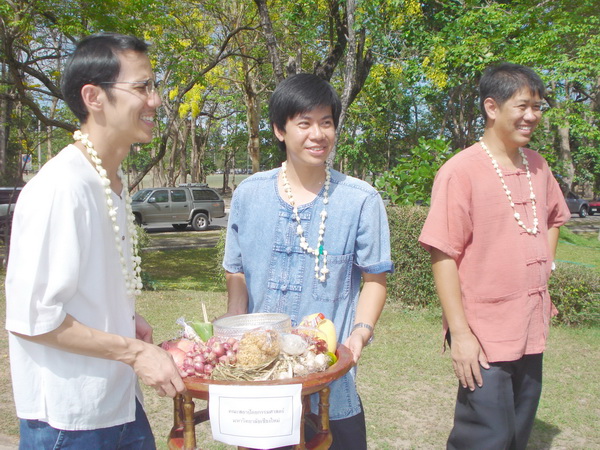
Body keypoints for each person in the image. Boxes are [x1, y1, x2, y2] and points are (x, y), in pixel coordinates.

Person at [5, 33, 186, 448]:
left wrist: (122, 317)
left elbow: (82, 287)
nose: (155, 100)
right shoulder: (61, 187)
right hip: (69, 423)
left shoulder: (109, 182)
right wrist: (136, 352)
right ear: (94, 97)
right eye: (142, 87)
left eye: (154, 86)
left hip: (119, 404)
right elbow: (33, 318)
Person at [222, 73, 393, 449]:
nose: (318, 134)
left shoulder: (360, 199)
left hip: (330, 379)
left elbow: (375, 278)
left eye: (326, 122)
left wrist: (359, 333)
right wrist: (234, 325)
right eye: (305, 123)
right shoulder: (249, 195)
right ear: (279, 130)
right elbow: (236, 270)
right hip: (262, 381)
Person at [419, 63, 570, 449]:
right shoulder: (460, 172)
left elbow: (555, 218)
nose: (532, 116)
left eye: (538, 106)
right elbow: (443, 253)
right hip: (483, 335)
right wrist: (461, 334)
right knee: (485, 438)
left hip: (530, 329)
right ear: (491, 107)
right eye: (523, 106)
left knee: (517, 433)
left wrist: (545, 268)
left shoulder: (538, 166)